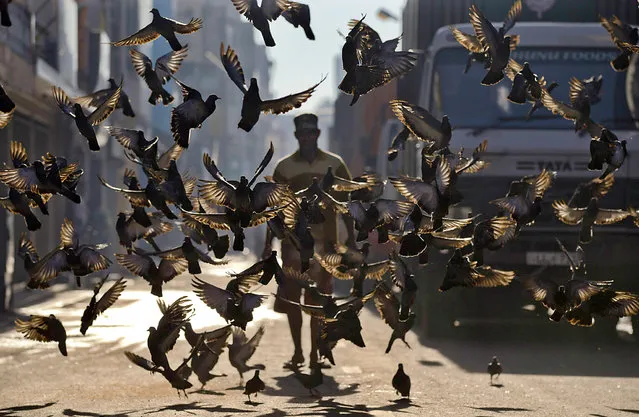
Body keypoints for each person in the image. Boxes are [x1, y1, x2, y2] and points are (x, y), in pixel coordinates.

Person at [263, 113, 356, 368]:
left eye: (311, 133)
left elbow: (348, 204)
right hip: (293, 246)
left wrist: (353, 244)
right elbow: (273, 210)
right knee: (293, 301)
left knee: (318, 303)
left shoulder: (335, 165)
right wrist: (266, 246)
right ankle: (298, 352)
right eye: (302, 134)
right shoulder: (283, 168)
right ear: (296, 136)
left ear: (317, 134)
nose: (306, 137)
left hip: (327, 246)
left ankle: (315, 352)